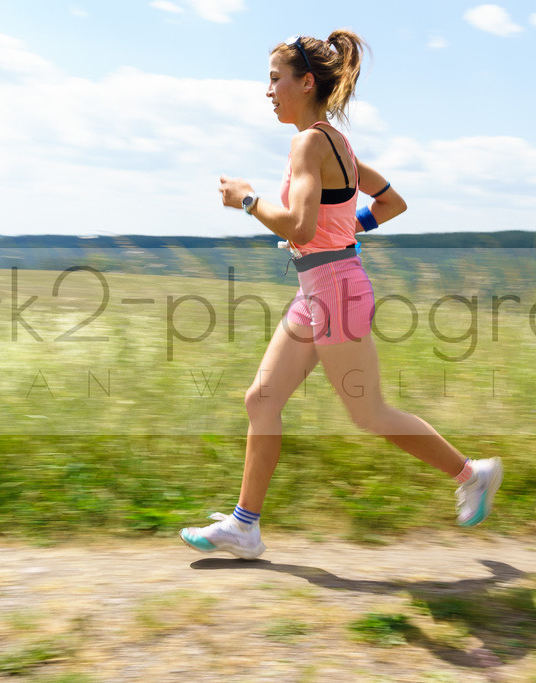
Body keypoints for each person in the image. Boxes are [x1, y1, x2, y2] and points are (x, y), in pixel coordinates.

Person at [179, 31, 502, 559]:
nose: (268, 91)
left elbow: (301, 228)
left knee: (369, 414)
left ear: (306, 83)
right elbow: (391, 202)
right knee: (260, 399)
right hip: (320, 289)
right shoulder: (338, 143)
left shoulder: (309, 143)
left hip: (336, 293)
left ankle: (473, 474)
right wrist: (345, 227)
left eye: (275, 80)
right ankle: (244, 526)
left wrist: (248, 200)